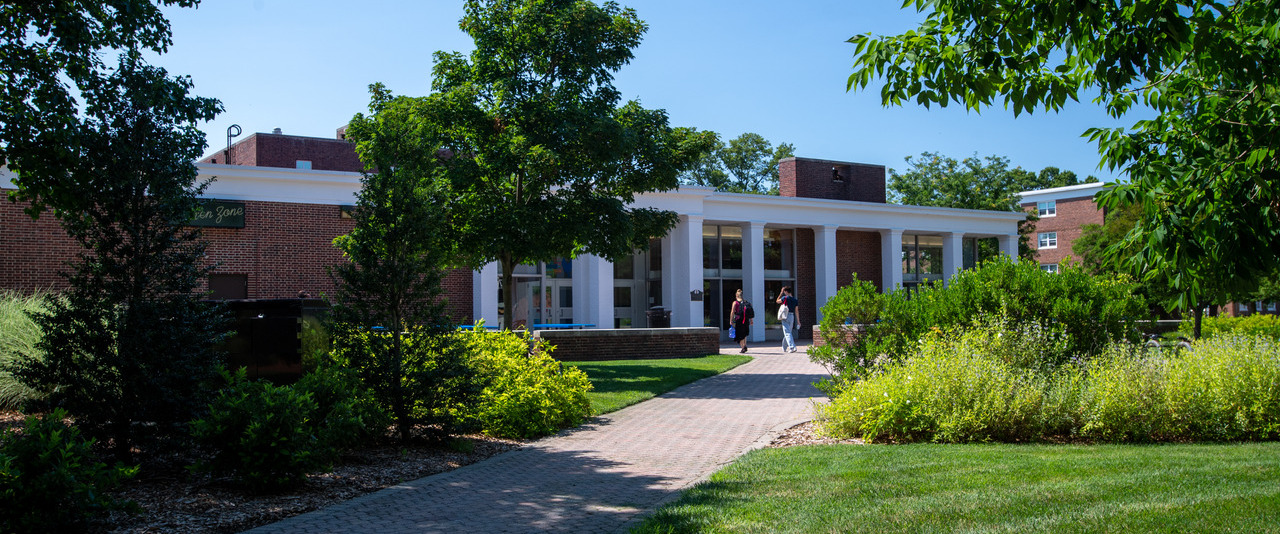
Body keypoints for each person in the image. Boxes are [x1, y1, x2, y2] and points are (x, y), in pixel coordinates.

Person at [776, 286, 800, 353]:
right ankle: (784, 347)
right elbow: (797, 311)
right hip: (792, 316)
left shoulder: (785, 298)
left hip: (785, 316)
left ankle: (792, 347)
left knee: (787, 332)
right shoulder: (795, 300)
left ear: (786, 292)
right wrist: (798, 321)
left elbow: (777, 301)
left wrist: (780, 293)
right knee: (788, 332)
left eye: (784, 292)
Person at [730, 288, 752, 353]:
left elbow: (732, 312)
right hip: (746, 320)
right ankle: (745, 345)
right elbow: (749, 311)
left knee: (740, 334)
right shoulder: (746, 302)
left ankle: (743, 347)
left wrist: (731, 320)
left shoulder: (735, 303)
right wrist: (751, 319)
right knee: (744, 334)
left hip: (739, 319)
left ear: (736, 295)